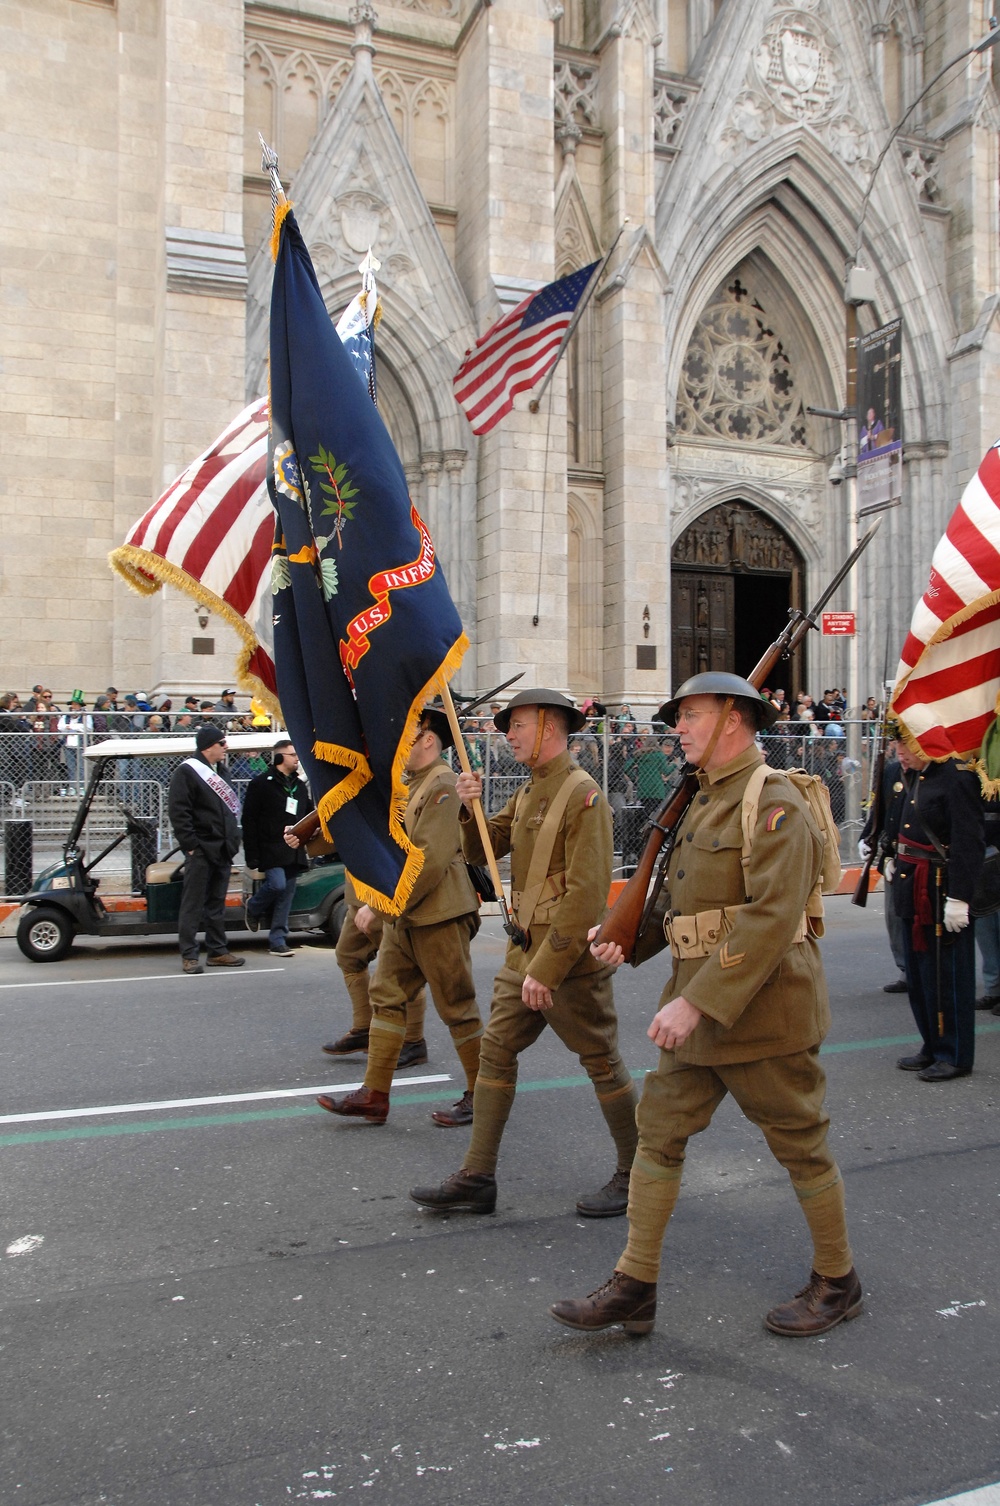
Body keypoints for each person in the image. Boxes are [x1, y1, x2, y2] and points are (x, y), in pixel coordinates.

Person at [550, 673, 860, 1338]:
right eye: (680, 717)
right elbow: (683, 905)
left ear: (733, 720)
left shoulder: (774, 802)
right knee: (658, 1137)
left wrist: (695, 1004)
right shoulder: (702, 803)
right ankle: (635, 1284)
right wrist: (625, 941)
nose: (679, 728)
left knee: (800, 1144)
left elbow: (771, 918)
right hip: (696, 1011)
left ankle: (839, 1281)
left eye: (691, 715)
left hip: (765, 1014)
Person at [409, 689, 638, 1218]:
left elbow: (586, 894)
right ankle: (477, 1176)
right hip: (524, 954)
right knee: (495, 1052)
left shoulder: (583, 796)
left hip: (564, 964)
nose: (508, 734)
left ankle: (636, 1172)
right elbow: (481, 848)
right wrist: (470, 808)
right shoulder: (532, 789)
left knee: (601, 1061)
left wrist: (548, 970)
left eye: (517, 724)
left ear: (549, 726)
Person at [317, 707, 483, 1127]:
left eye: (410, 732)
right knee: (387, 997)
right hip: (407, 917)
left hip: (440, 914)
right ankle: (374, 1094)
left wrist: (383, 904)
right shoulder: (412, 784)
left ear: (429, 739)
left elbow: (428, 859)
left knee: (457, 1007)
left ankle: (483, 1094)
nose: (399, 740)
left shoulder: (443, 783)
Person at [885, 741, 983, 1079]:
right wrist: (889, 856)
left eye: (907, 744)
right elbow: (900, 824)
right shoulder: (915, 776)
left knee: (947, 976)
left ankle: (955, 1053)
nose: (900, 751)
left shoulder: (957, 778)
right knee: (920, 974)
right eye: (897, 744)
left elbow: (969, 840)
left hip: (941, 889)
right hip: (913, 887)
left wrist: (960, 898)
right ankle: (931, 1043)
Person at [322, 873, 429, 1069]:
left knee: (405, 971)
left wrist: (377, 905)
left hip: (382, 894)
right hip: (358, 893)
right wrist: (305, 840)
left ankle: (414, 1042)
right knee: (348, 956)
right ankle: (364, 1030)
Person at [167, 725, 245, 975]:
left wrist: (232, 840)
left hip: (222, 848)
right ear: (208, 745)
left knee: (215, 903)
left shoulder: (222, 771)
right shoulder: (187, 772)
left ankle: (217, 951)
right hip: (201, 848)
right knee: (193, 904)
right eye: (222, 743)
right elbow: (179, 811)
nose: (226, 747)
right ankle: (189, 955)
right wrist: (190, 846)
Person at [241, 740, 313, 957]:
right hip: (270, 848)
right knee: (277, 885)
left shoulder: (299, 787)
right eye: (292, 755)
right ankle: (253, 906)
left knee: (286, 896)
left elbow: (308, 815)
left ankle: (278, 940)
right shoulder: (261, 784)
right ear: (280, 757)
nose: (297, 758)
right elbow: (249, 820)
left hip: (293, 850)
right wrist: (251, 854)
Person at [859, 738, 909, 992]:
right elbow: (880, 809)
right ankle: (906, 970)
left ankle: (921, 970)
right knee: (894, 916)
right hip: (893, 855)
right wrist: (867, 837)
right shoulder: (891, 770)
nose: (902, 754)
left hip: (919, 856)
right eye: (899, 747)